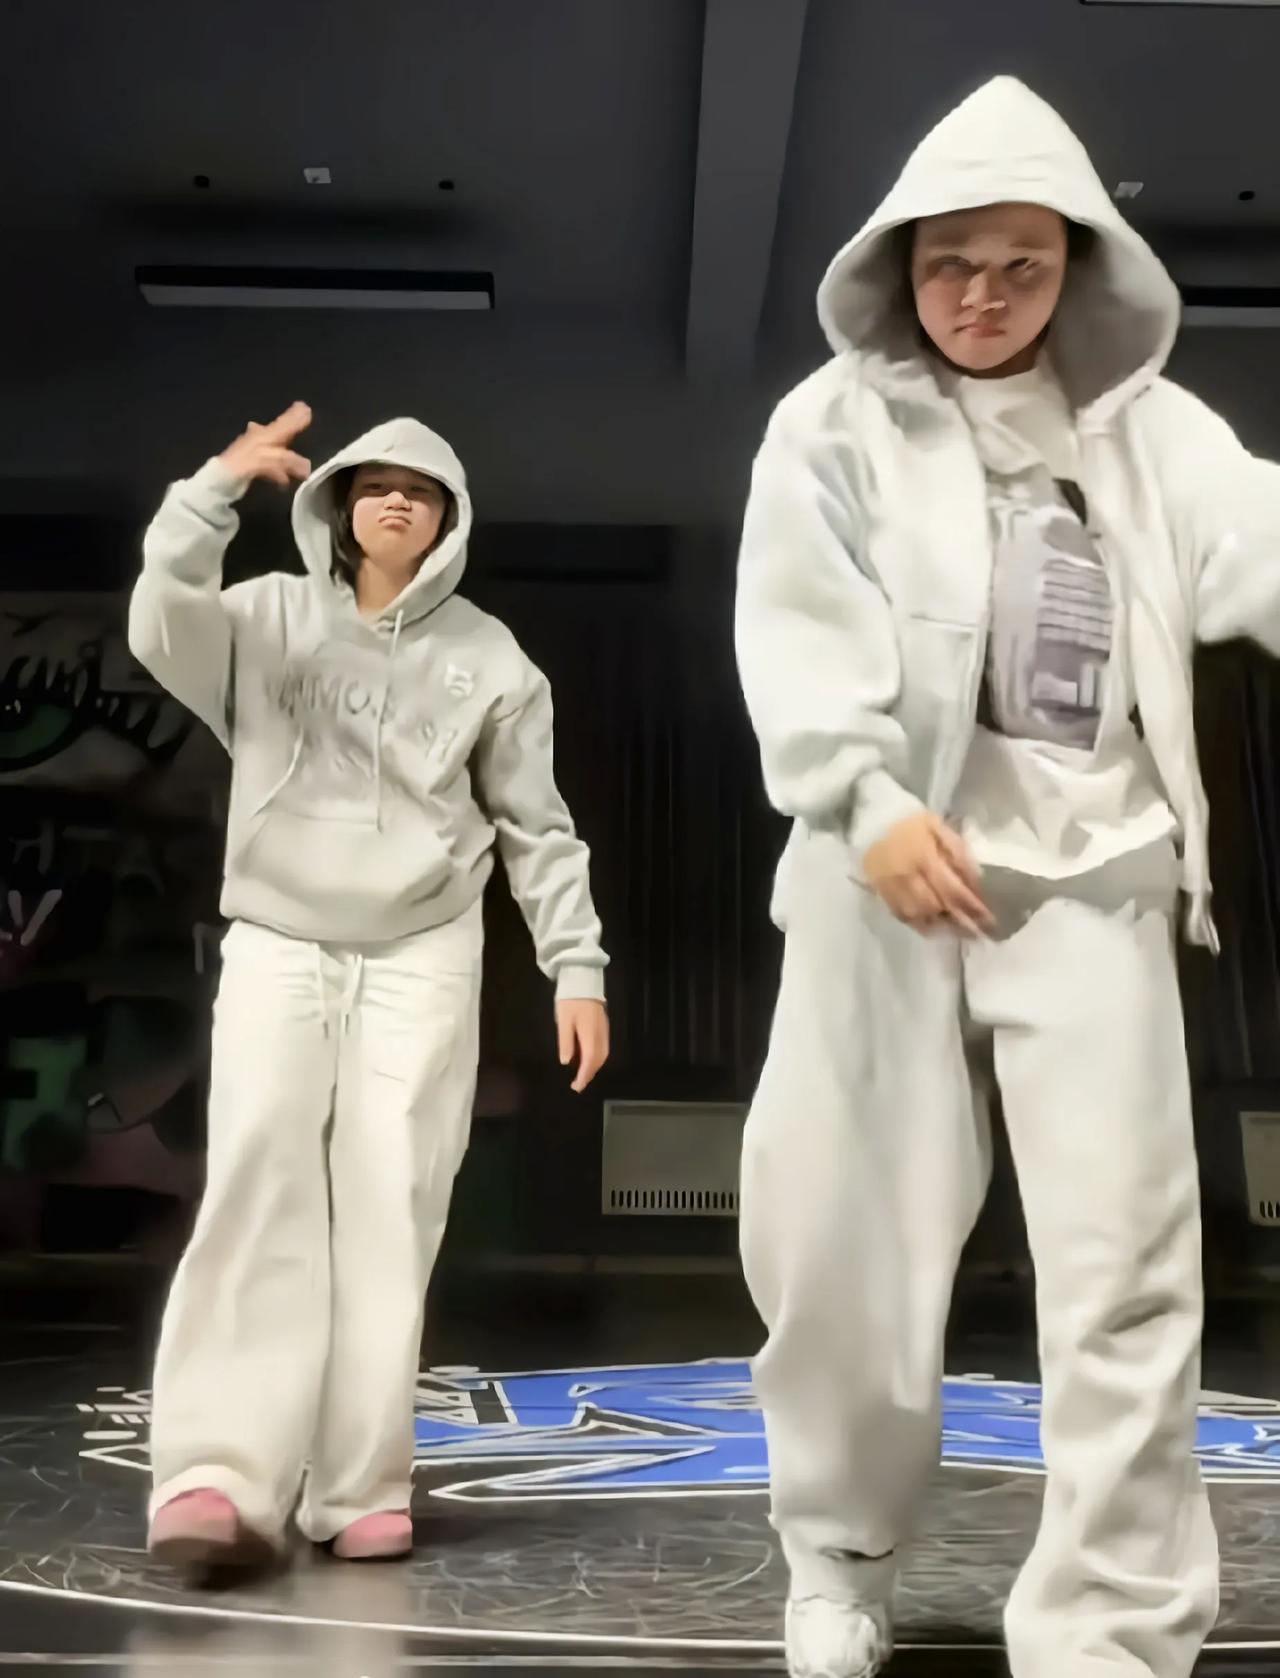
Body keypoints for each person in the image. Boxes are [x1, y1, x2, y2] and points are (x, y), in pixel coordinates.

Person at [735, 76, 1280, 1678]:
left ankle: (1109, 1627)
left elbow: (1266, 541)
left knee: (1126, 1268)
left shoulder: (1153, 435)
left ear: (1078, 266)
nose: (984, 295)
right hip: (882, 877)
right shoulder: (829, 422)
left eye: (1022, 265)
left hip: (1094, 869)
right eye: (952, 262)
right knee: (840, 1251)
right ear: (900, 262)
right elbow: (791, 624)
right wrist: (863, 799)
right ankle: (839, 1558)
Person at [129, 404, 610, 1569]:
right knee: (257, 1179)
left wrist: (576, 964)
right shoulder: (264, 615)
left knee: (394, 1197)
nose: (396, 500)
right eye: (375, 484)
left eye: (421, 490)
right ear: (338, 505)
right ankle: (214, 1475)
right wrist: (212, 490)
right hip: (280, 931)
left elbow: (535, 824)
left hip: (421, 943)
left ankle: (357, 1486)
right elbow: (162, 621)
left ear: (448, 520)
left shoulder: (491, 656)